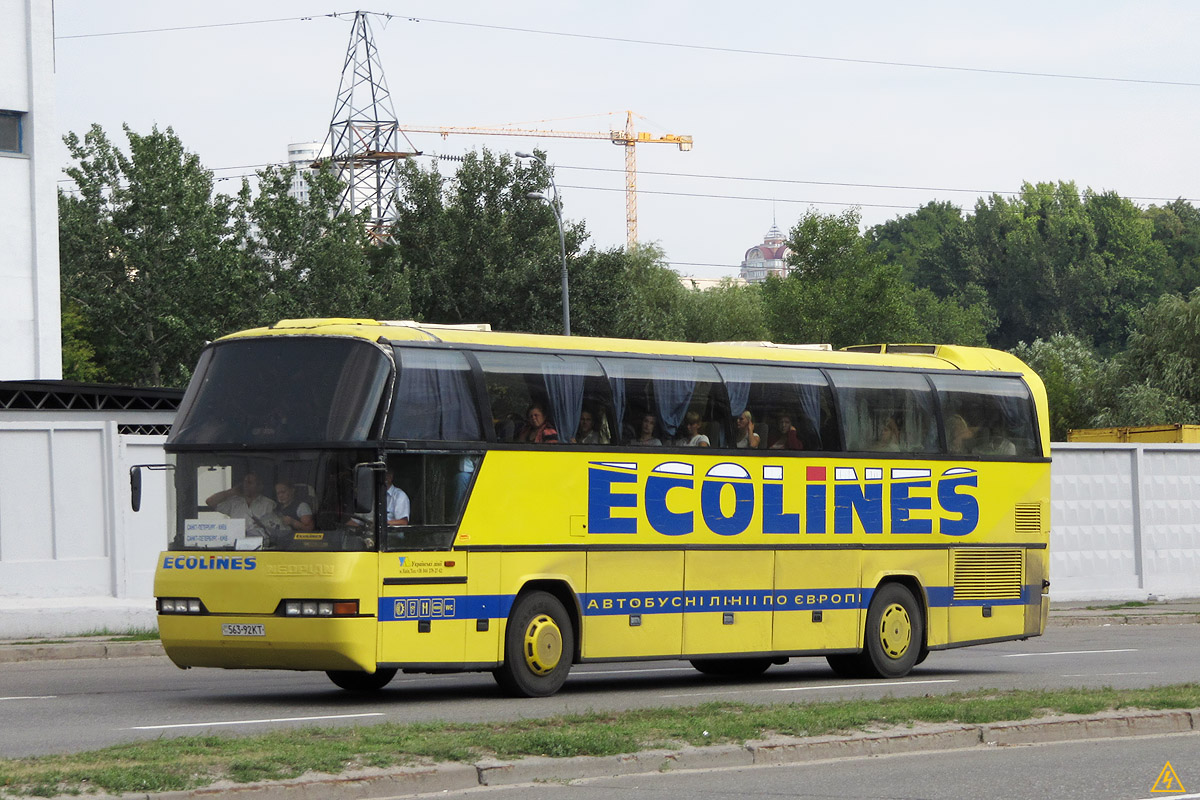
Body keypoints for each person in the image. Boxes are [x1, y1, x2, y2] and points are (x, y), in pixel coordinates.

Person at [205, 472, 276, 537]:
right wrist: (231, 491)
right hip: (236, 544)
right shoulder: (234, 502)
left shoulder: (268, 504)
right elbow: (210, 502)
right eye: (244, 483)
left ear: (259, 486)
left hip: (261, 546)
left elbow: (274, 528)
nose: (246, 485)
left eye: (249, 483)